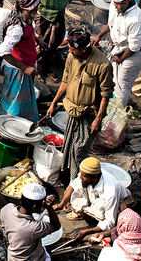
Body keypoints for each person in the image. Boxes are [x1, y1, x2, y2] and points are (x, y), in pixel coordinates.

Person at [47, 27, 114, 181]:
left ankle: (78, 183)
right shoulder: (71, 58)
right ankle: (67, 177)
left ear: (84, 48)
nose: (69, 51)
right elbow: (65, 81)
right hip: (72, 111)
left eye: (71, 49)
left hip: (89, 115)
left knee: (79, 151)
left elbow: (106, 95)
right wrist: (54, 103)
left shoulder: (103, 65)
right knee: (68, 146)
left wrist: (98, 119)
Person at [94, 0, 141, 107]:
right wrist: (99, 35)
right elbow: (112, 24)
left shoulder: (135, 19)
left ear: (129, 0)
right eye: (116, 4)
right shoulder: (115, 7)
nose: (119, 7)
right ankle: (109, 106)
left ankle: (118, 114)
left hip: (133, 53)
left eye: (122, 4)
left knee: (123, 86)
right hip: (119, 48)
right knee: (113, 80)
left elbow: (134, 47)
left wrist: (121, 58)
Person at [57, 157, 130, 242]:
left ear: (95, 177)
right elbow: (74, 184)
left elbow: (110, 221)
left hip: (115, 211)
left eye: (83, 176)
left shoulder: (111, 191)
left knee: (104, 218)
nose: (80, 176)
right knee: (77, 193)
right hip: (94, 199)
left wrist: (87, 231)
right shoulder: (88, 174)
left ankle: (98, 225)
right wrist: (61, 204)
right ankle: (87, 214)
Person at [0, 0, 42, 121]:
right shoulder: (16, 27)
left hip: (24, 68)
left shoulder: (24, 19)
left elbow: (27, 33)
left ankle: (20, 121)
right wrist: (24, 68)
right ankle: (10, 125)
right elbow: (3, 51)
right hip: (17, 71)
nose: (34, 14)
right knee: (15, 104)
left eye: (35, 10)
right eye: (30, 11)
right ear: (22, 9)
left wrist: (36, 40)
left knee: (19, 99)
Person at [0, 184, 60, 261]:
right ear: (34, 207)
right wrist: (49, 207)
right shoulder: (33, 227)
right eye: (41, 204)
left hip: (13, 256)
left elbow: (5, 231)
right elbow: (56, 225)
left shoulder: (7, 208)